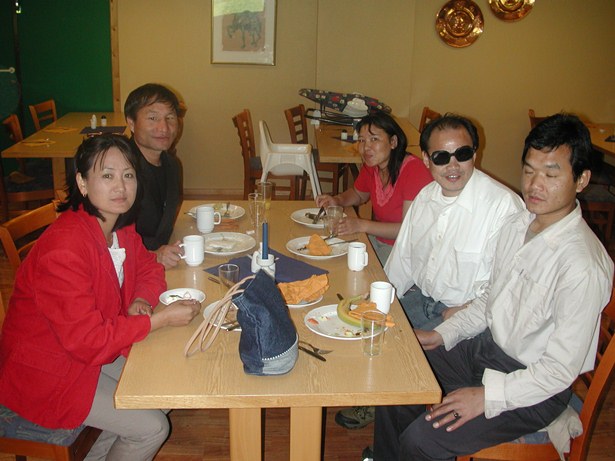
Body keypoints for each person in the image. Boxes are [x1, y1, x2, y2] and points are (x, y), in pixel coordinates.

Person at [371, 113, 614, 461]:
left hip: (535, 385)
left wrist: (486, 396)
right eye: (529, 170)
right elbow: (491, 300)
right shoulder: (519, 225)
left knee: (423, 440)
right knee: (399, 373)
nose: (535, 184)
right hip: (488, 351)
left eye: (551, 173)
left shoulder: (582, 265)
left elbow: (559, 371)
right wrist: (443, 334)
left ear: (581, 179)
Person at [0, 135, 201, 460]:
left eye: (128, 175)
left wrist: (140, 298)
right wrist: (157, 320)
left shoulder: (119, 227)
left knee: (165, 384)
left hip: (86, 351)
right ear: (82, 182)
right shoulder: (65, 249)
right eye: (107, 175)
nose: (120, 186)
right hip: (48, 372)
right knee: (152, 428)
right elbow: (87, 341)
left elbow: (150, 268)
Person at [385, 114, 524, 330]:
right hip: (422, 300)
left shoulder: (504, 207)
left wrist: (462, 317)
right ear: (426, 159)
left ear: (475, 155)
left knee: (398, 355)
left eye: (463, 154)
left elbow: (508, 289)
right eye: (441, 157)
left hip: (465, 318)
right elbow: (402, 261)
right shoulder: (425, 197)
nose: (453, 166)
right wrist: (378, 302)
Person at [315, 111, 433, 265]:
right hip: (379, 241)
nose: (365, 147)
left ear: (393, 142)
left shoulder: (414, 171)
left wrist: (362, 224)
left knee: (347, 265)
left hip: (405, 252)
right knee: (331, 250)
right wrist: (337, 200)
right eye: (362, 140)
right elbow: (358, 194)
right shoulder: (374, 165)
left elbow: (407, 230)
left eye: (374, 139)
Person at [125, 83, 183, 269]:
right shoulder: (121, 170)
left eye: (170, 118)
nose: (164, 127)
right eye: (152, 118)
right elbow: (106, 240)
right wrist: (151, 255)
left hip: (164, 262)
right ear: (131, 123)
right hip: (129, 270)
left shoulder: (172, 165)